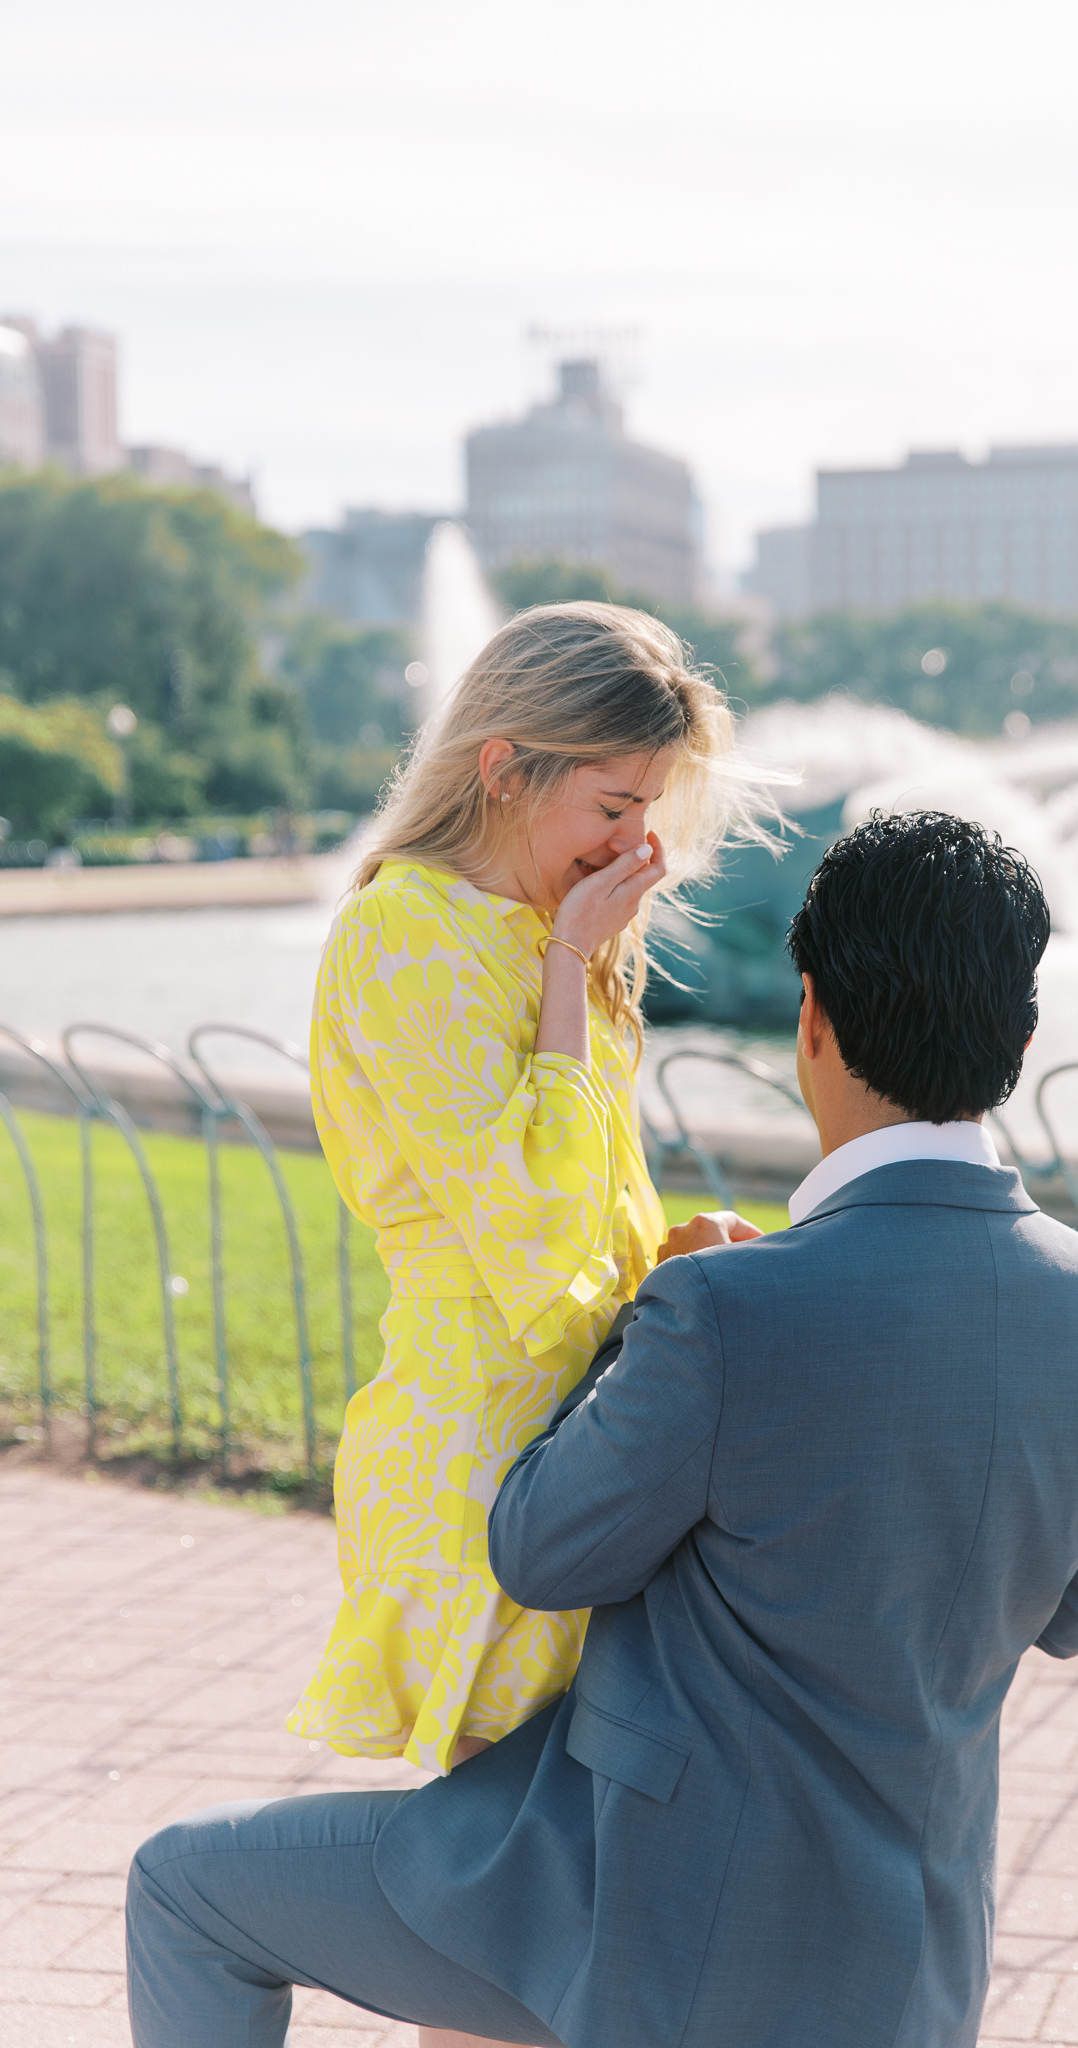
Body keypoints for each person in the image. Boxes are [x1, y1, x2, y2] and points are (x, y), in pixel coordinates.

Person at [126, 810, 1078, 2048]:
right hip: (911, 1960)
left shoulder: (723, 1304)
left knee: (183, 1888)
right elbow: (1069, 1614)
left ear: (810, 1021)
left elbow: (537, 1546)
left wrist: (637, 1323)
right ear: (1021, 1037)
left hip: (625, 1908)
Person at [286, 600, 761, 1775]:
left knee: (566, 1883)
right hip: (483, 1468)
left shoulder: (553, 926)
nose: (630, 844)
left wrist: (674, 1260)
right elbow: (531, 1239)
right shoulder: (406, 933)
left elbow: (590, 1212)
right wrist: (568, 969)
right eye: (611, 807)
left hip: (581, 1446)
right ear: (502, 767)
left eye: (648, 811)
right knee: (512, 1895)